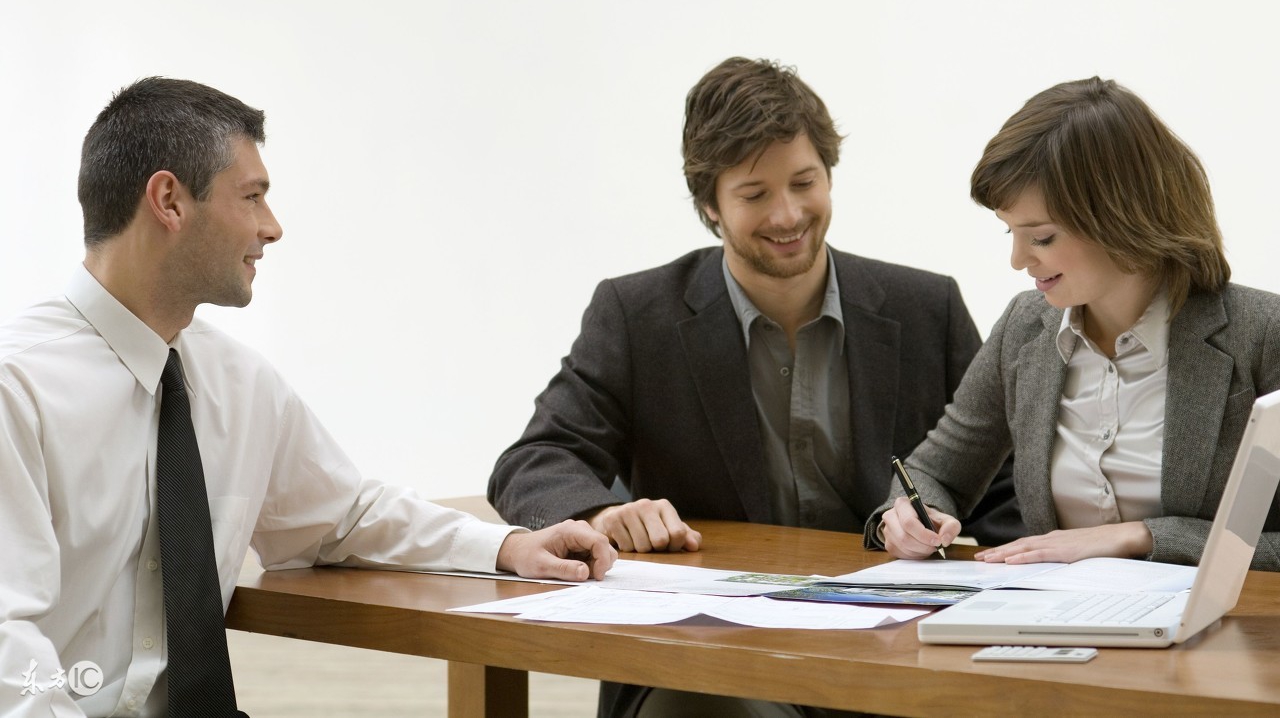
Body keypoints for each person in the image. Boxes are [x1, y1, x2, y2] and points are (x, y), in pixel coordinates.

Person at [0, 78, 616, 718]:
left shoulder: (237, 383)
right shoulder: (17, 388)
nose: (273, 227)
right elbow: (9, 661)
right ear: (169, 201)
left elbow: (344, 515)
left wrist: (508, 547)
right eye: (253, 196)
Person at [488, 57, 1024, 718]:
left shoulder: (924, 308)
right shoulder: (638, 315)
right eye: (754, 194)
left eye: (804, 182)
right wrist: (602, 513)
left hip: (892, 652)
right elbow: (534, 460)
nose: (788, 213)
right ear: (710, 204)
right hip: (704, 657)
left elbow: (1005, 488)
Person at [869, 76, 1280, 570]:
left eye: (1041, 237)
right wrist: (912, 517)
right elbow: (933, 473)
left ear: (1124, 217)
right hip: (1055, 627)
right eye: (1011, 232)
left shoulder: (1262, 334)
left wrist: (1140, 537)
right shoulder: (1026, 327)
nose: (1019, 260)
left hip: (1218, 637)